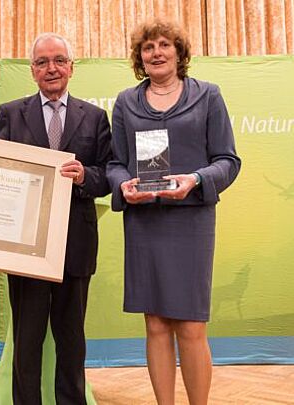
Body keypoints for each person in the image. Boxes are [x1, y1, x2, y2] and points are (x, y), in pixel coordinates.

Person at [106, 19, 241, 405]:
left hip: (191, 222)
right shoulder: (125, 103)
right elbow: (116, 163)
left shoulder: (208, 96)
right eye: (148, 47)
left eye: (165, 45)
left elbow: (228, 160)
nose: (157, 52)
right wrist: (122, 185)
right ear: (140, 57)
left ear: (180, 53)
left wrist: (196, 179)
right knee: (156, 325)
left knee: (192, 325)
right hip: (145, 221)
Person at [0, 33, 112, 404]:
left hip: (75, 244)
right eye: (42, 62)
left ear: (72, 67)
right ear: (32, 71)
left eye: (59, 60)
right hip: (23, 246)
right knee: (27, 340)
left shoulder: (94, 117)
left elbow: (108, 175)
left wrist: (83, 177)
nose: (52, 68)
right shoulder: (11, 113)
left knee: (71, 339)